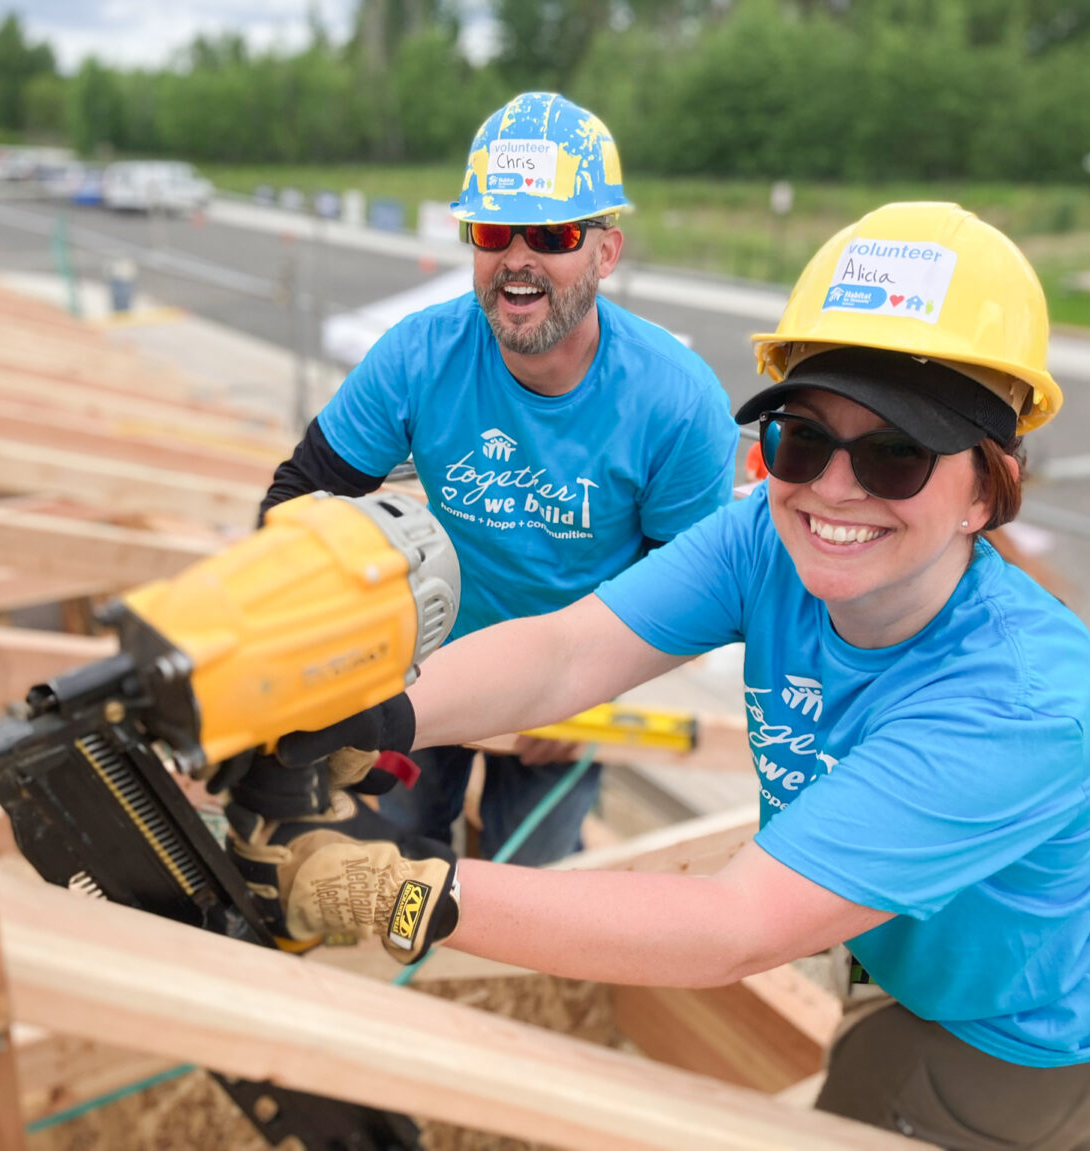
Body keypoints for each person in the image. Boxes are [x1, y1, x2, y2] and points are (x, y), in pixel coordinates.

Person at [234, 202, 1090, 1150]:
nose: (833, 488)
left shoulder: (1019, 703)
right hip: (915, 951)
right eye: (803, 439)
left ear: (988, 489)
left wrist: (392, 890)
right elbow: (568, 650)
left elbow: (733, 924)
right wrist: (378, 717)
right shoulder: (767, 535)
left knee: (877, 1102)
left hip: (1018, 1030)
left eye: (898, 455)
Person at [257, 92, 737, 865]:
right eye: (492, 232)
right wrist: (342, 652)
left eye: (551, 234)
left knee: (531, 888)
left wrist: (591, 686)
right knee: (392, 869)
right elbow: (295, 502)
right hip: (421, 667)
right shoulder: (420, 355)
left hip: (568, 692)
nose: (517, 257)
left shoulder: (677, 403)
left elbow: (693, 591)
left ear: (606, 252)